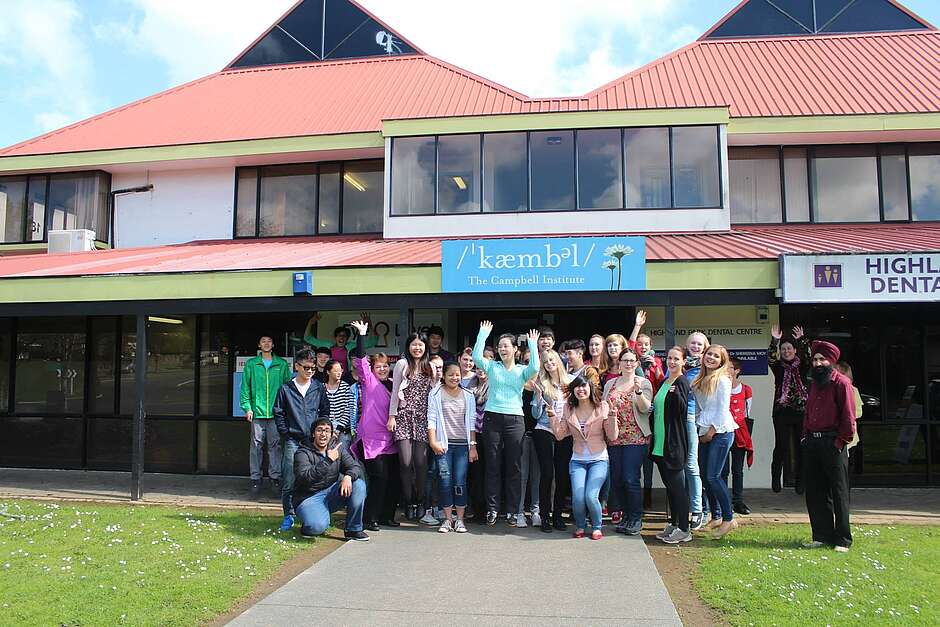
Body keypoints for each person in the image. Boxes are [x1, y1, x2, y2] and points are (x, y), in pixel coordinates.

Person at [473, 321, 540, 527]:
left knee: (514, 466)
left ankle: (512, 511)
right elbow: (476, 357)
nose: (502, 349)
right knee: (493, 464)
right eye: (500, 346)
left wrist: (533, 345)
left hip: (515, 419)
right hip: (492, 417)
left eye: (506, 346)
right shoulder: (492, 367)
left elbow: (535, 367)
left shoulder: (521, 370)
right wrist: (482, 335)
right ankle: (492, 509)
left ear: (514, 349)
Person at [802, 340, 856, 553]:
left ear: (832, 361)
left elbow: (848, 416)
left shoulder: (842, 383)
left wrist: (841, 441)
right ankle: (821, 536)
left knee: (839, 491)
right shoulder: (814, 383)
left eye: (822, 359)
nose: (818, 363)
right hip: (812, 442)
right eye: (815, 359)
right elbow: (808, 412)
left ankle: (842, 539)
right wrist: (805, 437)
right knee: (815, 491)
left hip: (833, 442)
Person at [548, 375, 615, 540]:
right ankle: (580, 525)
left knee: (590, 496)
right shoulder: (569, 408)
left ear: (590, 388)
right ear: (573, 391)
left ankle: (597, 526)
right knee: (578, 497)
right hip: (577, 459)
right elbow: (560, 435)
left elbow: (612, 436)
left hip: (599, 458)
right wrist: (552, 417)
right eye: (577, 387)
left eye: (584, 386)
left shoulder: (602, 406)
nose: (581, 390)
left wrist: (613, 417)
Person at [273, 348, 330, 532]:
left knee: (316, 476)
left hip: (313, 441)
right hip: (293, 439)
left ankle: (313, 512)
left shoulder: (318, 387)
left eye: (313, 368)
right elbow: (278, 412)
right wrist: (286, 433)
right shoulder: (286, 389)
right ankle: (288, 515)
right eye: (306, 367)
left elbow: (325, 411)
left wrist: (321, 433)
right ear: (296, 366)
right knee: (290, 478)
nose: (310, 371)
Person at [350, 320, 399, 530]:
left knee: (393, 480)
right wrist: (362, 334)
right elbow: (361, 359)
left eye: (385, 365)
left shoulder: (394, 385)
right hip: (371, 440)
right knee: (379, 479)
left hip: (391, 441)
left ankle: (387, 516)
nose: (382, 369)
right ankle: (370, 518)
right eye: (378, 366)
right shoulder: (368, 381)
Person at [292, 417, 369, 541]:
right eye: (319, 430)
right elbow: (305, 477)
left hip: (331, 493)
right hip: (308, 497)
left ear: (331, 434)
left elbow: (355, 467)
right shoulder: (302, 453)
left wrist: (348, 476)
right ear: (313, 434)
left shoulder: (337, 448)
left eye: (327, 431)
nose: (323, 434)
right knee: (316, 527)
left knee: (358, 484)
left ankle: (353, 529)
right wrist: (328, 461)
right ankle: (311, 523)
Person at [603, 348, 653, 536]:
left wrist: (638, 393)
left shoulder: (643, 383)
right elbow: (603, 406)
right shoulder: (611, 384)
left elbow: (646, 409)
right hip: (614, 437)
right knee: (617, 479)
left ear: (637, 363)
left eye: (632, 360)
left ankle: (635, 517)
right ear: (620, 363)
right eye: (625, 360)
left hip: (636, 437)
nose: (629, 363)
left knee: (630, 478)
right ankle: (625, 516)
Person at [692, 344, 739, 539]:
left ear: (722, 361)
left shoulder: (723, 380)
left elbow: (722, 409)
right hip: (703, 430)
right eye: (709, 354)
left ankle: (729, 519)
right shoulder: (700, 379)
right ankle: (716, 516)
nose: (711, 358)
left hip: (720, 431)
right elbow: (699, 408)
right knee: (705, 475)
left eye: (716, 356)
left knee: (713, 476)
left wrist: (710, 432)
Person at [428, 362, 478, 533]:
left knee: (460, 482)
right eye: (450, 374)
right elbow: (431, 419)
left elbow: (471, 422)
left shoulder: (468, 395)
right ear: (444, 376)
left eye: (457, 375)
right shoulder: (435, 393)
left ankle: (460, 520)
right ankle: (448, 519)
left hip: (463, 446)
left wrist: (473, 446)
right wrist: (433, 442)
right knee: (445, 481)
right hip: (443, 445)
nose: (454, 378)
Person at [239, 334, 292, 496]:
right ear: (259, 345)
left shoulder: (281, 364)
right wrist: (247, 408)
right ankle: (256, 479)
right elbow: (245, 388)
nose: (266, 343)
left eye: (269, 341)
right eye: (263, 341)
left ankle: (275, 478)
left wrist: (284, 409)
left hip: (275, 413)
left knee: (275, 446)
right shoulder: (252, 364)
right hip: (257, 412)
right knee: (256, 446)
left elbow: (287, 388)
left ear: (273, 344)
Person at [650, 347, 692, 544]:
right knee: (670, 488)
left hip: (674, 444)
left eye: (676, 359)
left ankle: (684, 529)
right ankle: (674, 524)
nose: (672, 362)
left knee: (679, 489)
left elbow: (682, 409)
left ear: (683, 361)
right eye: (669, 358)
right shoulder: (664, 382)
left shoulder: (682, 381)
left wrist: (676, 396)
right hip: (660, 443)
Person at [388, 332, 433, 521]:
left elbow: (434, 395)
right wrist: (392, 416)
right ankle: (408, 502)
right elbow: (394, 392)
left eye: (420, 345)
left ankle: (420, 501)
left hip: (423, 418)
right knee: (405, 462)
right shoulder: (402, 364)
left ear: (425, 347)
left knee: (421, 463)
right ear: (408, 346)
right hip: (404, 417)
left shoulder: (430, 367)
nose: (417, 348)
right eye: (414, 344)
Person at [531, 349, 570, 532]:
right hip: (544, 430)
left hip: (565, 432)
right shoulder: (541, 383)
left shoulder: (569, 382)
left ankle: (558, 516)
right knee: (547, 474)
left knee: (562, 475)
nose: (549, 363)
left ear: (558, 361)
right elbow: (535, 414)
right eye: (545, 361)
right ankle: (544, 516)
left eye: (552, 360)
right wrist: (539, 397)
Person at [769, 323, 811, 493]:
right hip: (782, 412)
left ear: (794, 350)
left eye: (789, 349)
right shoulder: (778, 366)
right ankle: (775, 477)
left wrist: (802, 340)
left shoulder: (802, 366)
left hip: (801, 412)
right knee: (782, 445)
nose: (786, 351)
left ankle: (801, 481)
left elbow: (808, 355)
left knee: (801, 447)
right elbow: (771, 357)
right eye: (784, 349)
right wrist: (775, 341)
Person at [684, 331, 709, 530]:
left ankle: (698, 509)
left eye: (699, 344)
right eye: (692, 343)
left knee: (692, 465)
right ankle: (682, 509)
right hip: (674, 419)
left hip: (692, 418)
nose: (695, 346)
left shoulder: (706, 368)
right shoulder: (679, 364)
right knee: (679, 466)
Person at [724, 358, 754, 515]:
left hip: (739, 434)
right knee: (722, 471)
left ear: (737, 371)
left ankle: (738, 501)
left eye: (730, 367)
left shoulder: (746, 389)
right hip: (722, 432)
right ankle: (723, 501)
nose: (726, 370)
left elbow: (747, 413)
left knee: (737, 470)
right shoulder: (720, 387)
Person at [420, 354, 446, 526]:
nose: (438, 370)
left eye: (440, 367)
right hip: (424, 436)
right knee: (429, 473)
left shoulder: (446, 387)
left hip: (442, 437)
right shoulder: (423, 386)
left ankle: (440, 508)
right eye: (434, 367)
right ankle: (427, 510)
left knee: (441, 473)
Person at [303, 311, 375, 368]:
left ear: (347, 338)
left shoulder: (352, 346)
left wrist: (370, 325)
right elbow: (307, 338)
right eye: (339, 335)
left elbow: (372, 342)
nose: (341, 338)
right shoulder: (327, 345)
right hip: (329, 377)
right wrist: (310, 322)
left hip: (346, 377)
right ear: (335, 337)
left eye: (344, 336)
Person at [834, 362, 863, 454]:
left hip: (848, 436)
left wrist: (845, 415)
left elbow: (859, 412)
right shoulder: (830, 390)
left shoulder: (853, 390)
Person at [323, 360, 352, 448]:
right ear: (328, 372)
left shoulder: (346, 387)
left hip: (343, 429)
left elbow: (348, 410)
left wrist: (338, 429)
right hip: (326, 429)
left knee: (343, 453)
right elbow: (321, 410)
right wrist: (329, 429)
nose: (339, 373)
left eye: (340, 370)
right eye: (336, 371)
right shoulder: (321, 388)